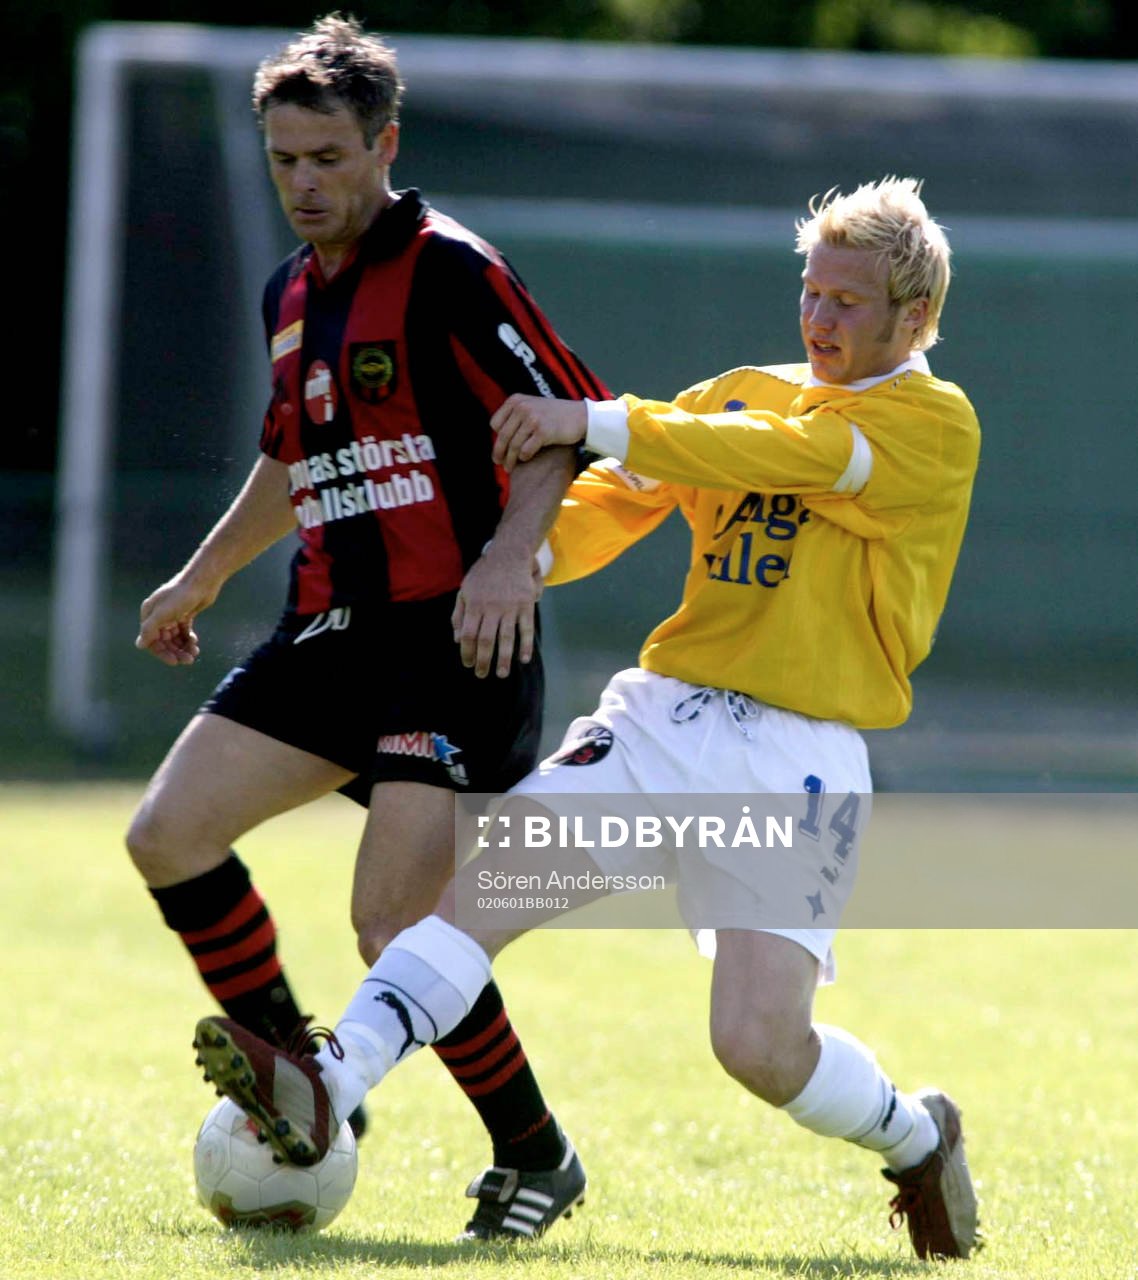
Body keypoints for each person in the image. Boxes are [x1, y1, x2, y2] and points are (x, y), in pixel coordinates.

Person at [191, 176, 982, 1260]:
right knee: (475, 900)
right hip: (661, 720)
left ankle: (916, 1132)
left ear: (915, 317)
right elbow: (624, 496)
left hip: (795, 755)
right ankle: (328, 1080)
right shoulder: (744, 392)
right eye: (811, 291)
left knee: (757, 1043)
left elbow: (799, 460)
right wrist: (512, 563)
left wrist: (597, 418)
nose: (820, 317)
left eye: (848, 302)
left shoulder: (931, 422)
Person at [126, 13, 609, 1240]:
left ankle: (536, 1155)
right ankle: (302, 1079)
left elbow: (568, 414)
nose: (304, 183)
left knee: (393, 925)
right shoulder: (289, 290)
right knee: (166, 833)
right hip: (329, 627)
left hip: (453, 640)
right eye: (285, 159)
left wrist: (510, 557)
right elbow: (291, 458)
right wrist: (195, 577)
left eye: (329, 158)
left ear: (383, 144)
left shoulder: (450, 263)